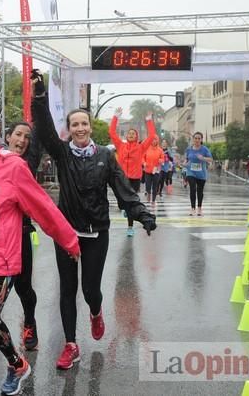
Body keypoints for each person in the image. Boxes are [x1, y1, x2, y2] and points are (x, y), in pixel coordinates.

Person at [0, 101, 80, 396]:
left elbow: (43, 207)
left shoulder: (13, 166)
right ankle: (18, 364)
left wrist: (69, 241)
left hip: (0, 262)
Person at [31, 72, 156, 370]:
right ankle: (71, 345)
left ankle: (96, 311)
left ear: (89, 127)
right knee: (67, 290)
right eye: (74, 124)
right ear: (70, 129)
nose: (80, 128)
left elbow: (124, 191)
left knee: (90, 291)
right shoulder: (62, 154)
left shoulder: (105, 156)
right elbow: (46, 129)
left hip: (97, 233)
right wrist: (39, 97)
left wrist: (142, 215)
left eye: (84, 123)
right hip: (67, 234)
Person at [0, 67, 44, 351]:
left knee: (22, 287)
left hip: (20, 233)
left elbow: (42, 130)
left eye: (27, 138)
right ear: (6, 135)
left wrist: (37, 95)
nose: (22, 140)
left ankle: (30, 321)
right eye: (18, 135)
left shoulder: (27, 162)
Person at [108, 106, 156, 236]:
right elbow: (112, 133)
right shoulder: (120, 145)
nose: (131, 135)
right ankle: (123, 207)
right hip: (122, 178)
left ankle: (130, 227)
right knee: (122, 204)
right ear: (126, 136)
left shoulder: (141, 147)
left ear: (136, 136)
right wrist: (115, 117)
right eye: (129, 133)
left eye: (133, 134)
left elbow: (151, 136)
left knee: (131, 205)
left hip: (134, 179)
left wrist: (148, 120)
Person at [184, 132, 213, 216]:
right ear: (193, 139)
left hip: (201, 174)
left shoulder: (204, 149)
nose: (197, 140)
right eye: (195, 138)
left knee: (200, 191)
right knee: (192, 189)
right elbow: (186, 159)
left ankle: (199, 208)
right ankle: (192, 208)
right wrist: (184, 163)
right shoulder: (189, 149)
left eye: (199, 138)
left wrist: (203, 158)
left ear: (201, 140)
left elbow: (211, 159)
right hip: (191, 172)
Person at [143, 136, 164, 206]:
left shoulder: (160, 150)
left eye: (155, 140)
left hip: (156, 170)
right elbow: (142, 157)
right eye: (152, 140)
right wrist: (144, 163)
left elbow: (162, 159)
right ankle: (148, 193)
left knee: (155, 186)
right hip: (147, 170)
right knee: (147, 185)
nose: (154, 141)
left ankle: (153, 200)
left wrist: (161, 160)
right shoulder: (146, 149)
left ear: (157, 141)